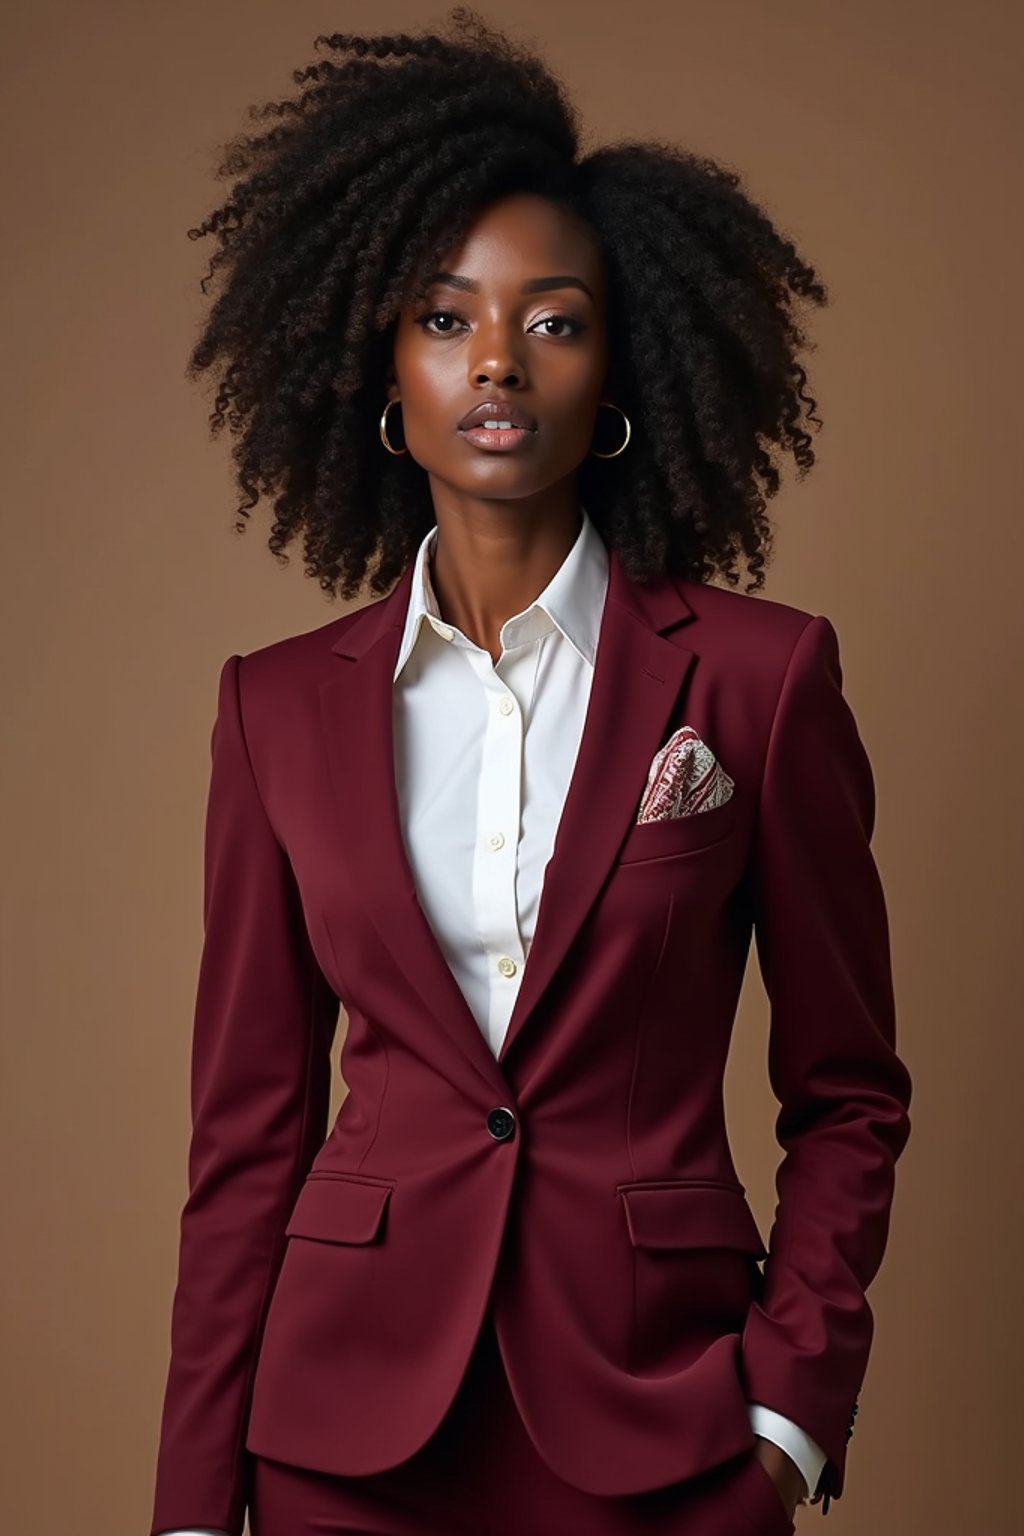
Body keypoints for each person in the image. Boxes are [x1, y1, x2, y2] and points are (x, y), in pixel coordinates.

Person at [149, 9, 913, 1534]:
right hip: (339, 1443)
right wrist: (188, 1502)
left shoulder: (760, 681)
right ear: (378, 356)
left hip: (662, 1424)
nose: (497, 360)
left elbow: (847, 1094)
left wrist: (788, 1416)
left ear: (623, 359)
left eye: (553, 320)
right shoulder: (277, 711)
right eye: (445, 318)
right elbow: (246, 1138)